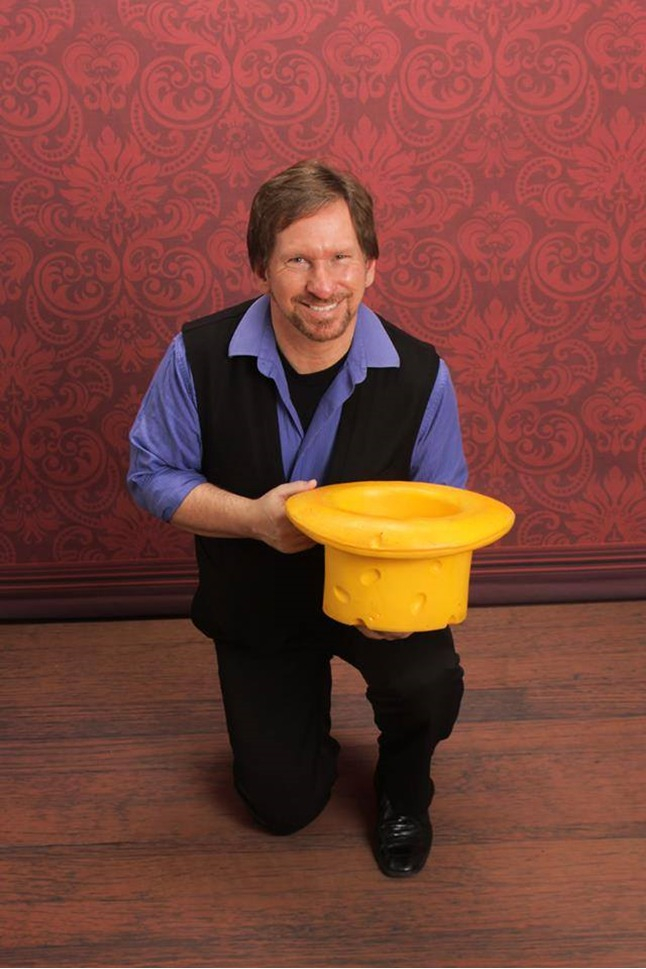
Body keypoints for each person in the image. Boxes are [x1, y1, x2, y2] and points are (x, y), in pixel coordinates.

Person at [127, 159, 468, 878]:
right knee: (281, 806)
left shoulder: (422, 372)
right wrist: (253, 518)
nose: (323, 283)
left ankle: (404, 782)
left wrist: (407, 605)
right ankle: (297, 725)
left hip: (379, 597)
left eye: (342, 256)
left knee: (430, 678)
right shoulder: (197, 355)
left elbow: (445, 513)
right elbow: (151, 474)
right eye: (298, 259)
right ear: (261, 267)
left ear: (371, 265)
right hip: (257, 601)